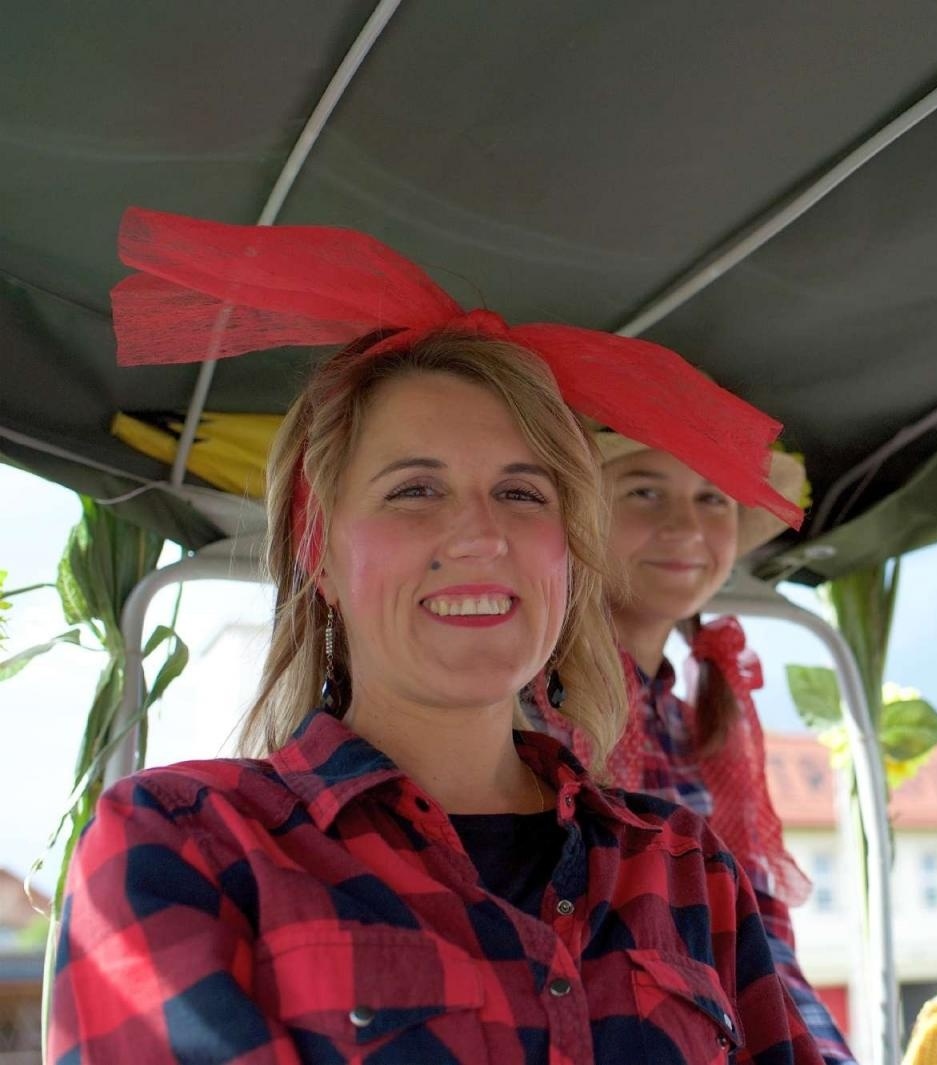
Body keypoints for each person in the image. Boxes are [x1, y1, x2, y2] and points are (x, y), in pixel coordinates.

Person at [48, 207, 822, 1064]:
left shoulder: (685, 867)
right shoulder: (184, 842)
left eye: (524, 494)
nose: (481, 536)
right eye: (416, 490)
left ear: (567, 558)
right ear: (321, 557)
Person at [523, 431, 859, 1063]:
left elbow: (759, 942)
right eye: (644, 492)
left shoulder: (702, 726)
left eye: (713, 498)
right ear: (576, 517)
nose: (685, 526)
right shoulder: (520, 703)